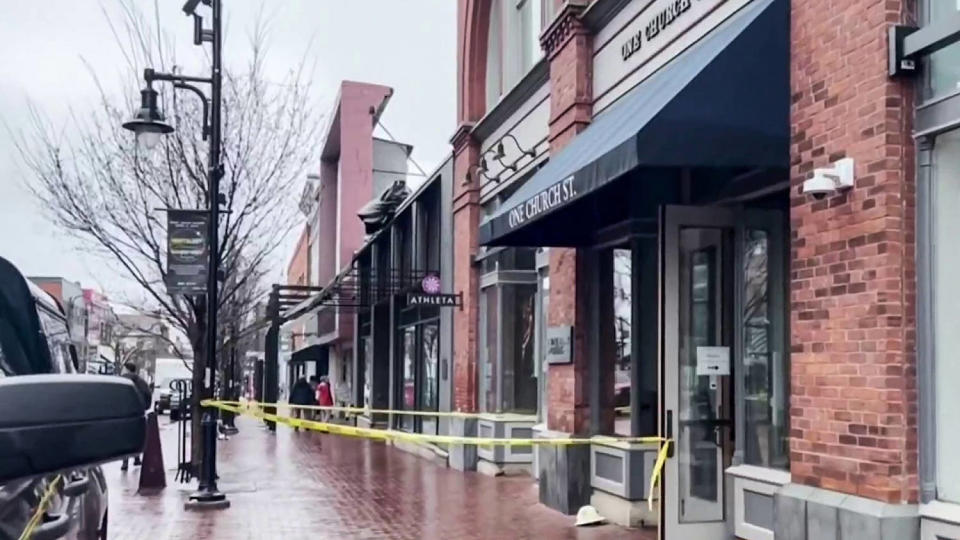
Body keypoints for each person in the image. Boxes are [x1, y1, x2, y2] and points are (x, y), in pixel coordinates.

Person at [120, 361, 151, 471]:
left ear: (127, 369)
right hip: (138, 413)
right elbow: (148, 395)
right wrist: (144, 408)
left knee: (125, 438)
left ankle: (125, 462)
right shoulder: (141, 382)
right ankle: (136, 458)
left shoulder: (121, 381)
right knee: (136, 436)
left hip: (124, 414)